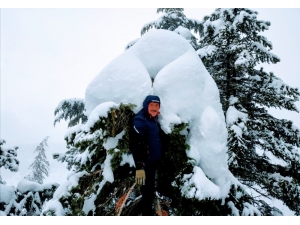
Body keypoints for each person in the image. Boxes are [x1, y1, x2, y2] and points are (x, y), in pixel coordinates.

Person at [129, 95, 163, 216]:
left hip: (154, 160)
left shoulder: (152, 118)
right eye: (151, 105)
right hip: (145, 164)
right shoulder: (140, 120)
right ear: (145, 105)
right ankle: (146, 214)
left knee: (153, 187)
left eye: (156, 105)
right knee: (147, 192)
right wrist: (139, 166)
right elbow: (135, 144)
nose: (154, 108)